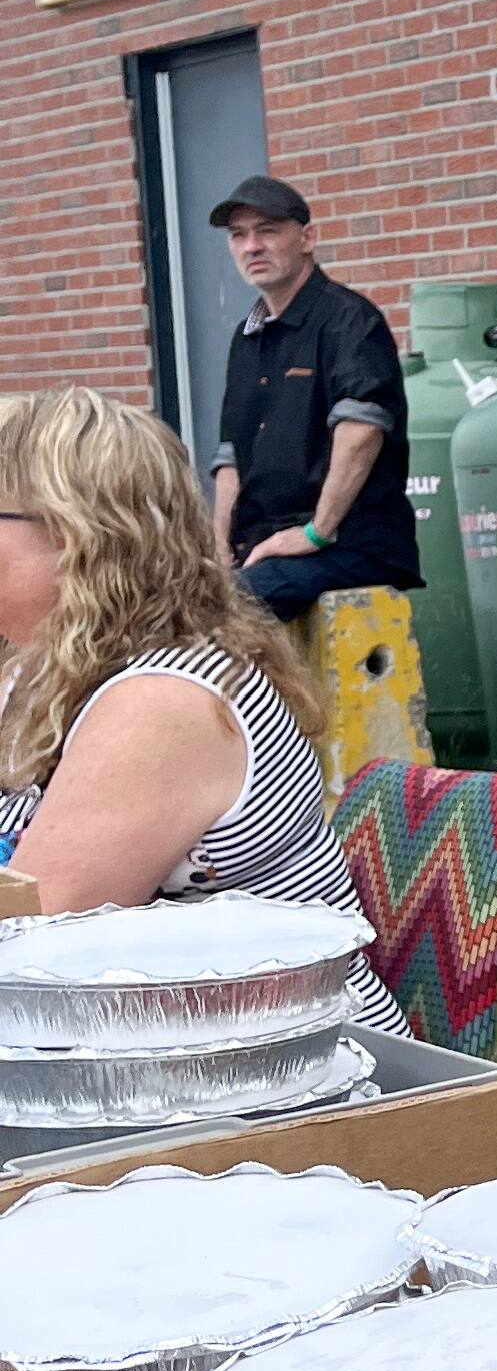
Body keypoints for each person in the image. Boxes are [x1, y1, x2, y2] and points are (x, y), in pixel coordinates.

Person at [0, 387, 407, 1030]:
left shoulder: (166, 704)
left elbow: (28, 936)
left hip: (297, 1093)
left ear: (77, 537)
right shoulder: (45, 670)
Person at [206, 177, 423, 620]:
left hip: (348, 547)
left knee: (222, 612)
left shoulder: (349, 321)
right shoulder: (247, 338)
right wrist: (216, 553)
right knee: (179, 602)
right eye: (238, 235)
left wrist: (316, 532)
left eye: (267, 230)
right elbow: (231, 457)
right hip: (268, 548)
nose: (252, 246)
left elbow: (361, 434)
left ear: (306, 238)